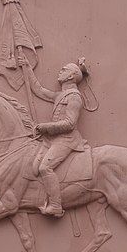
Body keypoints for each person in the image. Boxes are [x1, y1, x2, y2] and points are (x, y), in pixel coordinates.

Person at [18, 57, 89, 217]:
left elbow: (70, 124)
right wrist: (27, 67)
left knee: (45, 168)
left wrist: (45, 127)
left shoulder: (74, 97)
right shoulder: (60, 95)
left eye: (64, 70)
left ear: (71, 76)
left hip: (67, 140)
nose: (60, 71)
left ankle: (56, 206)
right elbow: (39, 90)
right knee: (33, 168)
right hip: (52, 140)